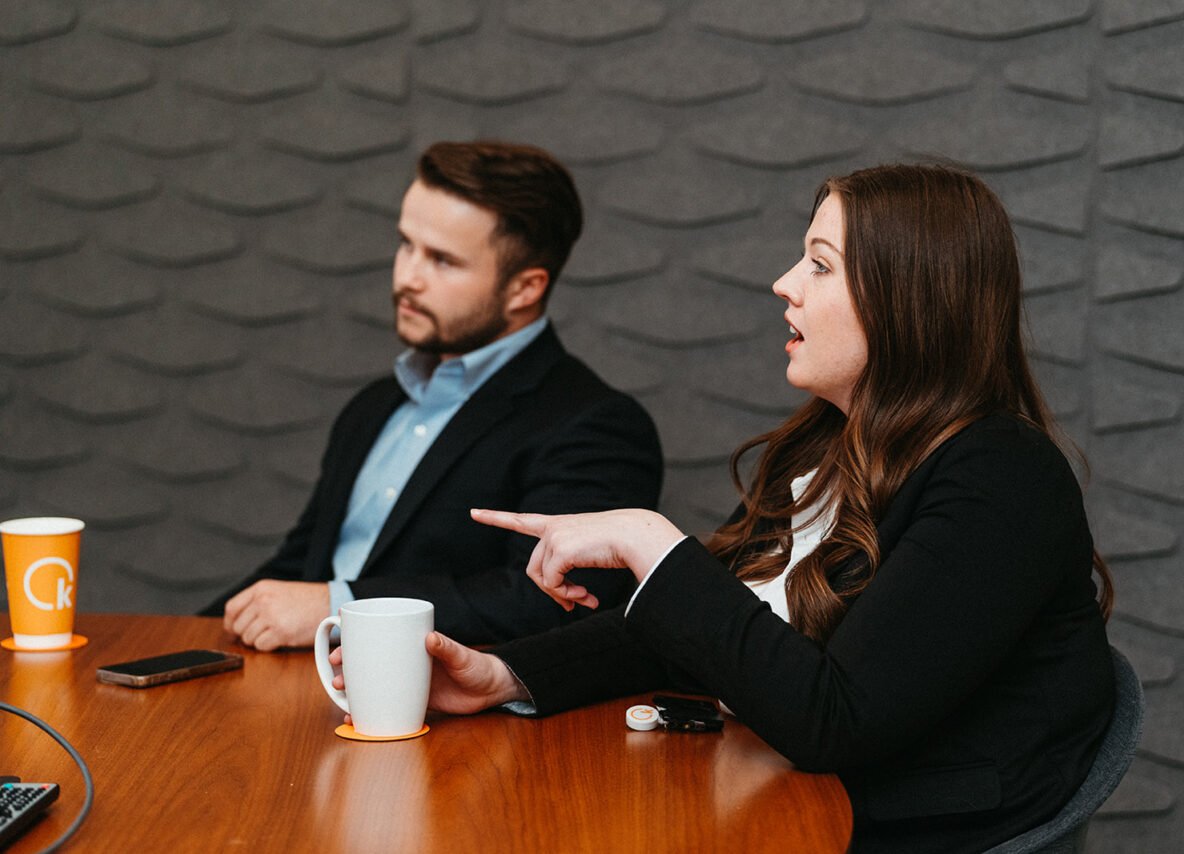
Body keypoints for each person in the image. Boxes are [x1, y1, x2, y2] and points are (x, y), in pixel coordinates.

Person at [333, 163, 1116, 853]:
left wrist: (651, 543)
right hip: (780, 805)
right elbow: (700, 638)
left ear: (907, 297)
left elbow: (833, 718)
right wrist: (503, 675)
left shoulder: (1002, 476)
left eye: (819, 265)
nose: (784, 283)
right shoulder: (832, 447)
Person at [202, 140, 663, 651]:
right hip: (308, 692)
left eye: (442, 260)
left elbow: (547, 602)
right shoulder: (376, 405)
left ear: (524, 289)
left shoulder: (597, 424)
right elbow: (302, 567)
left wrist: (340, 605)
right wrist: (167, 644)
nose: (407, 278)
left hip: (450, 720)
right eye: (406, 245)